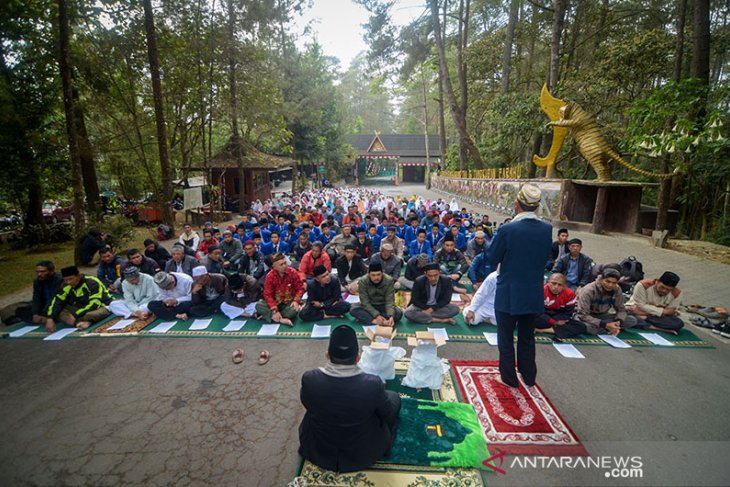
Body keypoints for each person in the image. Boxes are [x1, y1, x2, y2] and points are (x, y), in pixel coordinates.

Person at [298, 325, 401, 472]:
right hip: (363, 453)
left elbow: (307, 403)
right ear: (358, 358)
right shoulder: (372, 384)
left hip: (319, 451)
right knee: (394, 397)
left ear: (327, 355)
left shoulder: (310, 379)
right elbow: (387, 413)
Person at [486, 184, 552, 388]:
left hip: (509, 293)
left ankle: (509, 378)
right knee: (527, 337)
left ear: (516, 204)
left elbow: (491, 258)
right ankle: (529, 376)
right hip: (532, 292)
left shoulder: (508, 229)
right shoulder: (547, 228)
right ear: (537, 206)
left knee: (506, 338)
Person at [573, 267, 638, 336]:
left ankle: (609, 328)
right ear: (601, 279)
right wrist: (605, 325)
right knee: (588, 328)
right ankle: (608, 329)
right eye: (608, 281)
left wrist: (618, 321)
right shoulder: (588, 290)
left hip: (602, 316)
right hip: (584, 317)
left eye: (614, 283)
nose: (610, 285)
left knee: (631, 320)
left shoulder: (617, 289)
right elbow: (583, 315)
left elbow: (621, 310)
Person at [45, 266, 112, 332]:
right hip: (81, 308)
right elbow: (57, 301)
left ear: (79, 276)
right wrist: (50, 318)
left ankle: (83, 321)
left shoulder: (92, 282)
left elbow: (94, 303)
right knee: (60, 312)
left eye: (71, 279)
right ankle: (80, 323)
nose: (68, 282)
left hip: (101, 306)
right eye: (66, 280)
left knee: (90, 315)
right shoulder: (66, 285)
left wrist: (76, 315)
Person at [255, 253, 304, 326]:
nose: (284, 266)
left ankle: (271, 317)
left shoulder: (293, 272)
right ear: (274, 267)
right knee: (258, 305)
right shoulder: (270, 276)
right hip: (275, 303)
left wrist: (296, 301)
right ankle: (280, 319)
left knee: (294, 310)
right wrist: (274, 310)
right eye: (281, 265)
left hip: (288, 302)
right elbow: (268, 295)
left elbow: (300, 288)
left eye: (285, 263)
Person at [534, 273, 579, 337]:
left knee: (581, 326)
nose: (556, 287)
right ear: (548, 282)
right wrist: (553, 322)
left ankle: (542, 330)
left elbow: (568, 314)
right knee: (531, 319)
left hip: (558, 316)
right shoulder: (541, 291)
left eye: (560, 285)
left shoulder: (570, 294)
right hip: (543, 316)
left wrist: (558, 321)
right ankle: (556, 329)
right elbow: (538, 312)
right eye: (553, 283)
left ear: (564, 286)